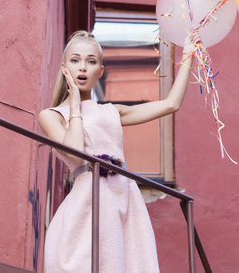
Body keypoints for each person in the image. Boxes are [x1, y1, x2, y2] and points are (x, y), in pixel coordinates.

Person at [39, 29, 200, 273]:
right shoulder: (51, 116)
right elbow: (73, 153)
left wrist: (188, 54)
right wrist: (74, 106)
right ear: (64, 68)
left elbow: (171, 104)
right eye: (75, 60)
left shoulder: (111, 111)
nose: (82, 67)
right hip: (88, 202)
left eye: (91, 61)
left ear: (100, 71)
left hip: (124, 196)